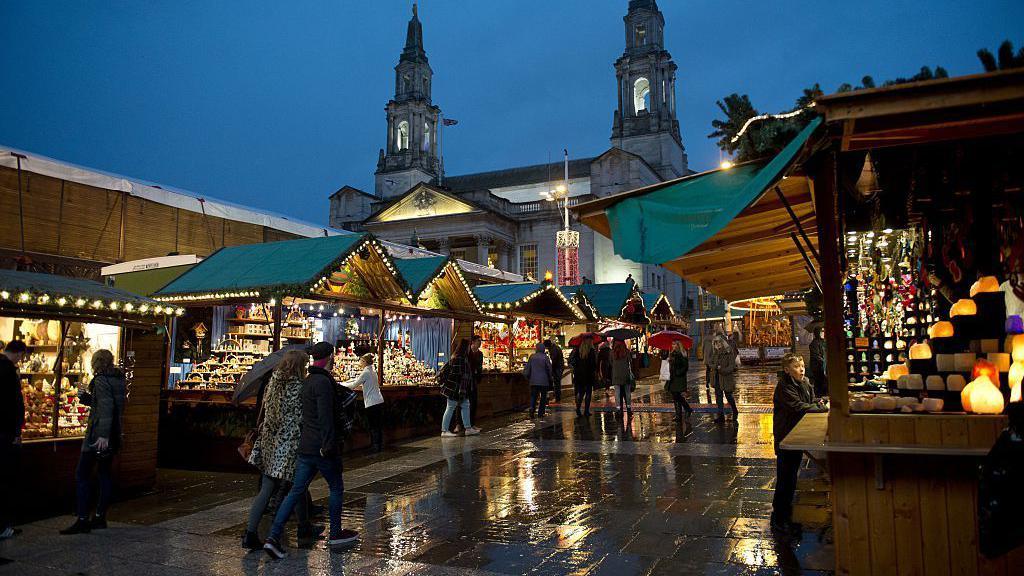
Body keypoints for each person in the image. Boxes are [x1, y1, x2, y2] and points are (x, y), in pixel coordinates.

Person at [264, 342, 358, 559]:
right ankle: (335, 533)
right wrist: (329, 445)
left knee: (296, 491)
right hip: (321, 448)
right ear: (330, 357)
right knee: (336, 487)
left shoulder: (306, 381)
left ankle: (273, 537)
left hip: (306, 446)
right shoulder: (323, 383)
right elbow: (326, 417)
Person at [242, 350, 314, 550]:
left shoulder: (272, 383)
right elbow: (300, 416)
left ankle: (250, 533)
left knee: (270, 488)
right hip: (288, 444)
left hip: (268, 442)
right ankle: (298, 529)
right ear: (299, 366)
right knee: (295, 486)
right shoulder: (298, 387)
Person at [60, 349, 126, 535]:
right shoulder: (117, 378)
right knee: (104, 475)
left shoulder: (101, 380)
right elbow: (108, 403)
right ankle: (99, 516)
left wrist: (102, 436)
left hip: (98, 436)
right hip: (114, 434)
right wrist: (87, 397)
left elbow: (105, 407)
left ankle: (82, 518)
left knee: (82, 474)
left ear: (96, 362)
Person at [771, 353, 827, 537]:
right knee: (785, 477)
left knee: (792, 476)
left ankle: (786, 512)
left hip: (796, 435)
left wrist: (818, 402)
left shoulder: (805, 382)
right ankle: (779, 518)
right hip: (786, 437)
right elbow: (797, 406)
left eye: (802, 365)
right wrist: (819, 407)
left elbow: (808, 401)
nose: (801, 369)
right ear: (787, 370)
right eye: (796, 366)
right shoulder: (784, 387)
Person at [1, 341, 28, 540]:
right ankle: (3, 526)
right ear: (19, 354)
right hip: (5, 434)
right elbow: (14, 403)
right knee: (5, 480)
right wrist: (16, 432)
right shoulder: (8, 371)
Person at [343, 353, 384, 452]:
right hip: (378, 400)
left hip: (372, 402)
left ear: (364, 362)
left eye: (360, 361)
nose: (359, 363)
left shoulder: (366, 372)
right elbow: (357, 380)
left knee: (373, 424)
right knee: (377, 425)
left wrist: (341, 385)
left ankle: (375, 446)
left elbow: (354, 385)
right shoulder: (372, 371)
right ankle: (378, 445)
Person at [440, 339, 478, 437]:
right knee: (451, 407)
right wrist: (461, 389)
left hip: (456, 388)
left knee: (464, 405)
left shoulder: (457, 357)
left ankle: (468, 428)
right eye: (469, 347)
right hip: (456, 388)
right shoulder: (460, 359)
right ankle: (444, 430)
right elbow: (457, 375)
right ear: (465, 348)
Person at [712, 335, 739, 423]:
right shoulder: (715, 352)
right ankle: (721, 415)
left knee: (728, 395)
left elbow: (731, 366)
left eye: (719, 342)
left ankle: (734, 410)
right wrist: (713, 366)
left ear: (722, 342)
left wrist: (722, 370)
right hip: (717, 377)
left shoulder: (728, 352)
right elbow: (713, 363)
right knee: (718, 396)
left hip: (726, 377)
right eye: (716, 343)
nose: (718, 344)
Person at [568, 338, 597, 417]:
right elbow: (593, 365)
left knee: (580, 393)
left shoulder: (578, 351)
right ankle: (586, 411)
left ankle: (578, 408)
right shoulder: (591, 352)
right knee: (588, 393)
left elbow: (572, 362)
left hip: (579, 376)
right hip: (588, 375)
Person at [524, 342, 553, 418]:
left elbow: (527, 369)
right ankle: (541, 412)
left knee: (533, 396)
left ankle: (532, 409)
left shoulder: (532, 357)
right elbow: (549, 369)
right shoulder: (545, 357)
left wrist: (527, 377)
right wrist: (550, 377)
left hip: (533, 381)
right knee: (543, 397)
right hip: (544, 381)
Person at [667, 341, 693, 421]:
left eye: (674, 344)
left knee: (677, 395)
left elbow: (685, 367)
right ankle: (678, 415)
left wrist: (678, 372)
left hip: (679, 378)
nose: (673, 345)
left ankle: (687, 409)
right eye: (672, 344)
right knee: (675, 396)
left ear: (678, 345)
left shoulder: (682, 354)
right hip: (672, 378)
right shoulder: (672, 353)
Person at [611, 340, 633, 418]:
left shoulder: (612, 352)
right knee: (627, 393)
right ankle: (629, 409)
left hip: (616, 375)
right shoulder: (626, 351)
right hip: (625, 375)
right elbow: (630, 362)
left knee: (617, 393)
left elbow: (610, 363)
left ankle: (618, 410)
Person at [807, 328, 827, 398]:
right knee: (818, 382)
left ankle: (821, 395)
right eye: (818, 332)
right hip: (817, 366)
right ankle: (819, 396)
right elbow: (816, 355)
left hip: (820, 365)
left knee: (822, 381)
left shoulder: (822, 341)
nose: (819, 333)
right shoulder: (814, 343)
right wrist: (823, 361)